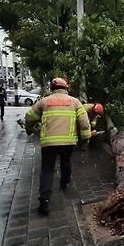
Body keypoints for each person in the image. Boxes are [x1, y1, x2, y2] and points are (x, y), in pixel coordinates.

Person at [25, 77, 91, 215]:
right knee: (65, 161)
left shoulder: (44, 101)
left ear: (52, 88)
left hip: (48, 143)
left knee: (47, 170)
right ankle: (65, 182)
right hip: (68, 142)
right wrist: (85, 138)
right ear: (66, 88)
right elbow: (84, 122)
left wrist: (29, 129)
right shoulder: (74, 102)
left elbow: (30, 116)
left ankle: (45, 202)